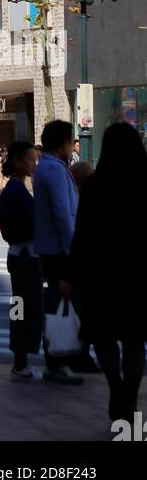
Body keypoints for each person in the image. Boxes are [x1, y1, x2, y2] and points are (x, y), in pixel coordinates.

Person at [69, 123, 147, 426]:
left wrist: (72, 272)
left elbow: (83, 232)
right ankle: (129, 394)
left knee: (102, 334)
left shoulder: (94, 185)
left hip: (102, 272)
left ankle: (115, 384)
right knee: (134, 339)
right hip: (139, 272)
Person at [33, 119, 93, 384]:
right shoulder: (54, 170)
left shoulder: (49, 167)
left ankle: (64, 358)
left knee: (63, 302)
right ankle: (57, 361)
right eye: (71, 140)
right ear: (63, 143)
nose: (73, 144)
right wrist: (73, 250)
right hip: (59, 251)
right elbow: (62, 213)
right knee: (61, 301)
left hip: (53, 249)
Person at [0, 141, 43, 380]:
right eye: (29, 159)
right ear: (17, 162)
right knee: (25, 308)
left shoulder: (15, 189)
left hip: (19, 257)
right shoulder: (16, 191)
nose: (33, 163)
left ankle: (20, 357)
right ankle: (21, 359)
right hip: (25, 258)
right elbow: (15, 228)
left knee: (20, 307)